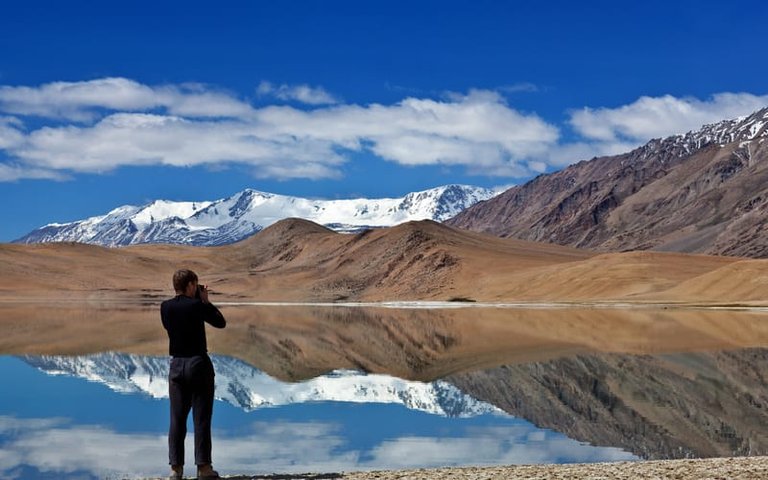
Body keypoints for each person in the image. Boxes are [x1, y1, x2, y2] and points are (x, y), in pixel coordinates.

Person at [161, 269, 226, 480]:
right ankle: (204, 468)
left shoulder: (165, 307)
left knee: (177, 419)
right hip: (198, 364)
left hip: (176, 365)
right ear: (190, 285)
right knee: (201, 418)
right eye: (195, 285)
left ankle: (176, 469)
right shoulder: (197, 306)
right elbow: (220, 322)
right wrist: (205, 302)